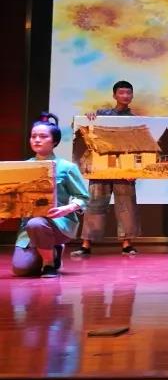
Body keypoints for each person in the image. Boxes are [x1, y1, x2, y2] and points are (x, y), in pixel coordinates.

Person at [7, 114, 89, 277]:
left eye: (43, 136)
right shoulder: (22, 168)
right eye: (33, 136)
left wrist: (67, 208)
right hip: (29, 227)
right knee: (21, 269)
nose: (37, 140)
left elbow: (83, 198)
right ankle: (50, 250)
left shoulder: (66, 167)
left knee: (36, 223)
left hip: (58, 223)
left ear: (54, 141)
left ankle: (49, 263)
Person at [72, 80, 141, 257]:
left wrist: (134, 170)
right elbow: (85, 131)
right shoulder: (102, 115)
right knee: (95, 204)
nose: (125, 96)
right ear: (114, 95)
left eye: (128, 93)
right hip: (101, 165)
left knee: (126, 205)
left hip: (124, 168)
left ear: (132, 96)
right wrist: (88, 118)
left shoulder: (135, 119)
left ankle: (127, 244)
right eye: (121, 92)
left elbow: (137, 146)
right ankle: (86, 244)